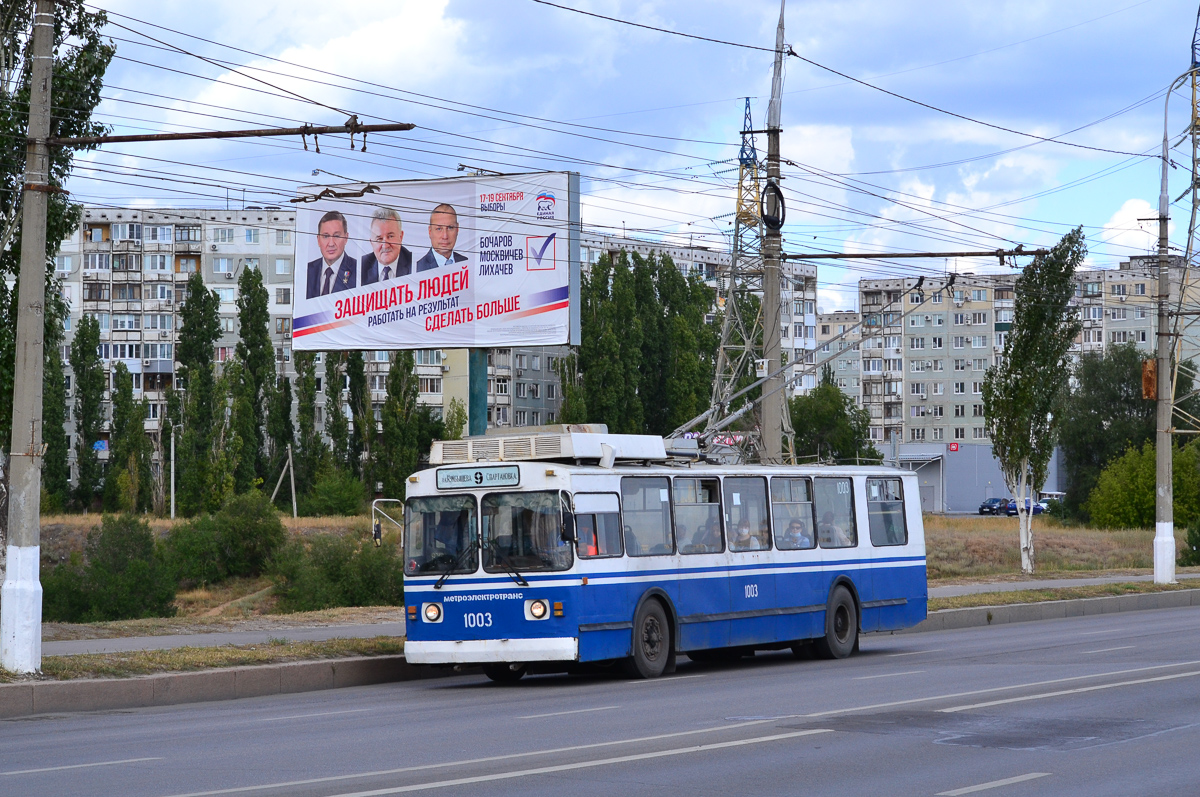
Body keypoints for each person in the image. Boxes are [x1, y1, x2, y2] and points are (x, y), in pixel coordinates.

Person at [306, 210, 357, 299]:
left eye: (336, 236)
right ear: (318, 240)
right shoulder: (308, 270)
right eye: (325, 236)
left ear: (346, 238)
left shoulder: (358, 269)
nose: (331, 244)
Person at [361, 207, 412, 285]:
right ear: (371, 242)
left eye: (390, 236)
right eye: (379, 239)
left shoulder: (413, 263)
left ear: (400, 237)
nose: (385, 246)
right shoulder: (361, 267)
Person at [416, 203, 468, 272]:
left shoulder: (467, 263)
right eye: (439, 229)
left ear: (457, 229)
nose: (445, 236)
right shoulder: (418, 268)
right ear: (430, 231)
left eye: (450, 228)